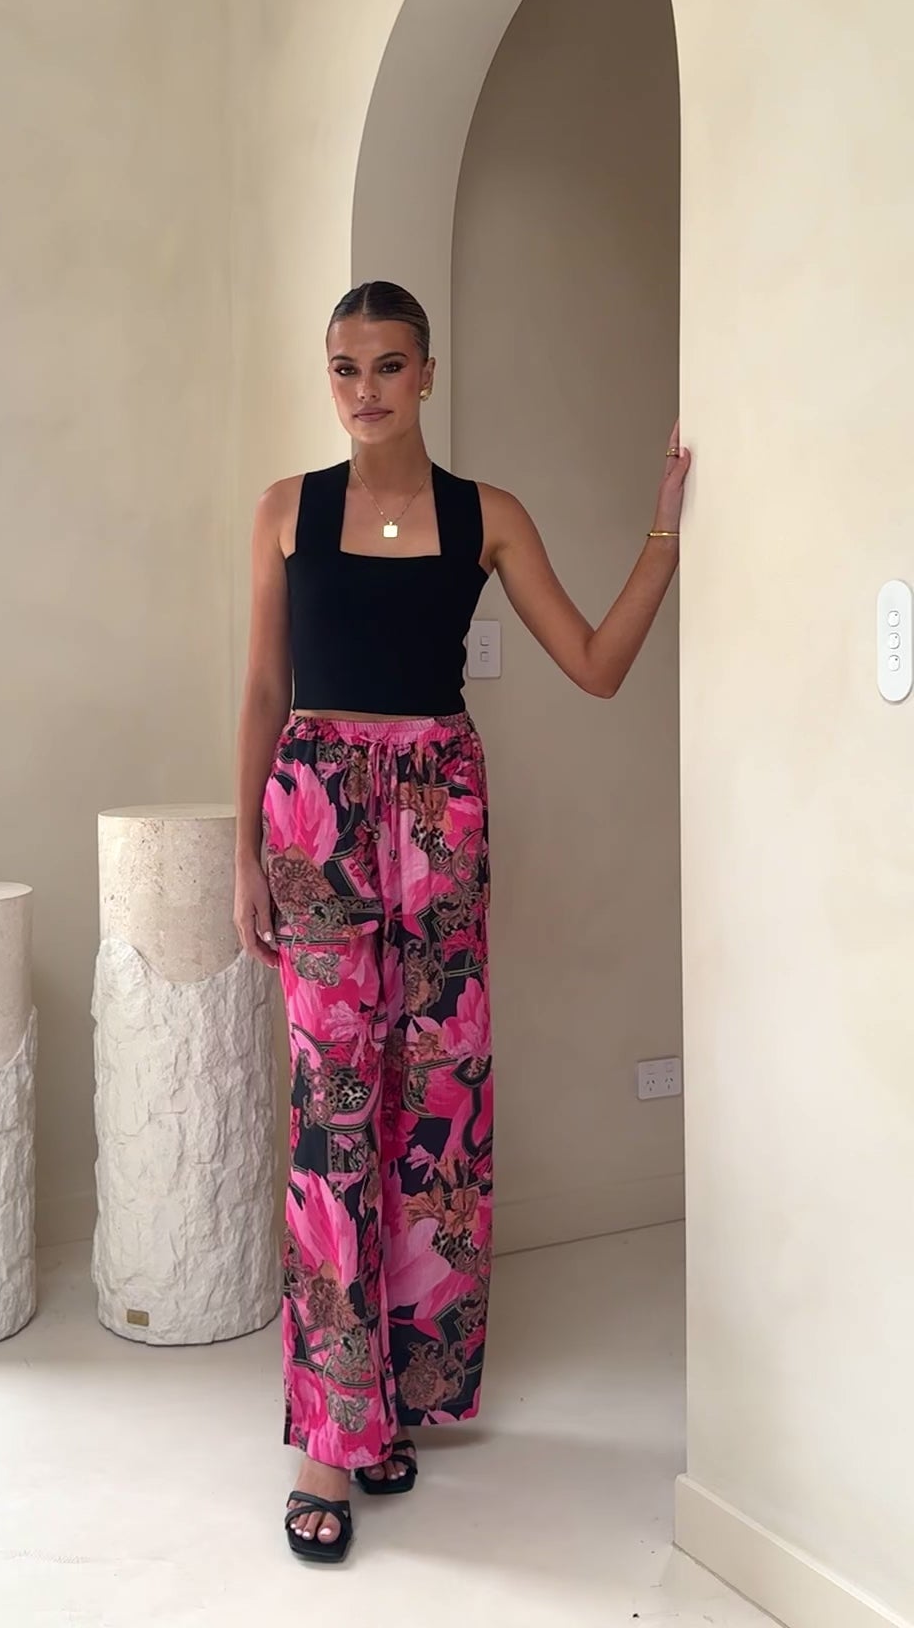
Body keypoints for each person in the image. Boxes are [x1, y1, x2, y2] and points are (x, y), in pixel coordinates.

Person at [233, 280, 690, 1564]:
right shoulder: (285, 511)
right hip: (316, 816)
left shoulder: (486, 517)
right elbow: (263, 687)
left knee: (432, 1114)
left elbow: (595, 664)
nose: (365, 388)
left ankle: (394, 1403)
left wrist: (663, 536)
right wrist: (243, 856)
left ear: (428, 374)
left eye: (388, 364)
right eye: (344, 366)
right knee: (333, 1123)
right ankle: (329, 1440)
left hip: (439, 821)